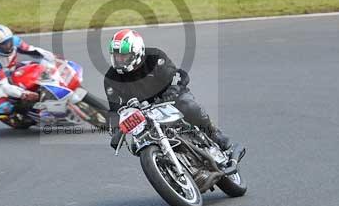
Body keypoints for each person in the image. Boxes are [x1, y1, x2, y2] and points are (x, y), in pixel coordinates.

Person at [103, 28, 244, 165]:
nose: (119, 60)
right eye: (116, 56)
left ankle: (215, 135)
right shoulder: (111, 78)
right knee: (136, 146)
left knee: (188, 106)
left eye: (123, 56)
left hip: (168, 99)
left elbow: (175, 75)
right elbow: (115, 109)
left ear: (137, 53)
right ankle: (166, 168)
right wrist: (116, 130)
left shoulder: (155, 57)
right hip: (143, 114)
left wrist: (174, 89)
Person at [0, 24, 59, 127]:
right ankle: (20, 115)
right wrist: (24, 94)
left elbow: (32, 50)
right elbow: (5, 86)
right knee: (4, 108)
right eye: (3, 45)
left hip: (12, 68)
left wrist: (51, 56)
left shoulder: (15, 41)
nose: (8, 46)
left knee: (40, 68)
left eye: (9, 42)